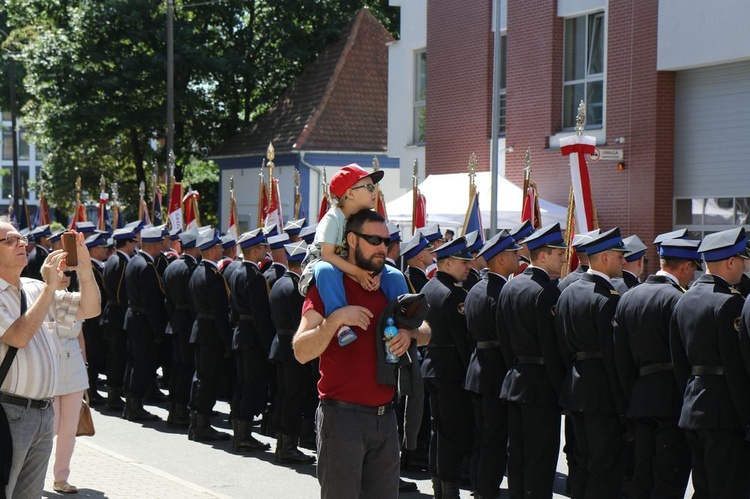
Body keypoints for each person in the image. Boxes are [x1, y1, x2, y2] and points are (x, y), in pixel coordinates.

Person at [293, 209, 429, 499]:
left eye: (386, 241)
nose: (383, 247)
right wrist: (336, 319)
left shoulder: (392, 285)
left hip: (385, 419)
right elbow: (301, 350)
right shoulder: (329, 286)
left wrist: (409, 333)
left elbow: (427, 331)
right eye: (373, 240)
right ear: (352, 240)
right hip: (342, 419)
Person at [0, 224, 100, 498]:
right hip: (9, 412)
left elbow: (90, 309)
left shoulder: (34, 287)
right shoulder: (35, 291)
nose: (21, 243)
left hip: (43, 411)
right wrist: (51, 288)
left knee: (29, 494)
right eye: (10, 240)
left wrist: (85, 269)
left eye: (22, 238)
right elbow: (18, 336)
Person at [613, 237, 700, 499]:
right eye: (693, 268)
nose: (693, 274)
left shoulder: (628, 297)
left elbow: (621, 358)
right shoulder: (678, 300)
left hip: (640, 397)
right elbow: (685, 355)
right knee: (669, 478)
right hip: (671, 399)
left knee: (642, 474)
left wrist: (630, 395)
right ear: (684, 267)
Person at [671, 227, 750, 497]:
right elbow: (737, 368)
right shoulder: (729, 304)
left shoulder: (683, 299)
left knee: (703, 488)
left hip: (693, 407)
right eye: (742, 260)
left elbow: (679, 362)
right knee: (727, 488)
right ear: (730, 261)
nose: (745, 266)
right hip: (723, 413)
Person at [556, 227, 628, 498]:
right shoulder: (606, 299)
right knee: (603, 465)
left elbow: (561, 347)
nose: (624, 261)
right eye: (620, 256)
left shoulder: (567, 293)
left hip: (575, 387)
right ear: (605, 258)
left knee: (581, 461)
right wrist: (622, 402)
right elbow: (613, 357)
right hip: (601, 393)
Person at [498, 223, 568, 499]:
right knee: (540, 460)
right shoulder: (547, 291)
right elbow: (552, 347)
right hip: (540, 386)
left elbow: (504, 342)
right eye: (559, 255)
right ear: (542, 256)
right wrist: (560, 386)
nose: (563, 260)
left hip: (514, 380)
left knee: (517, 457)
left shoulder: (510, 287)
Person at [299, 163, 403, 347]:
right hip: (322, 263)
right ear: (350, 193)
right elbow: (327, 255)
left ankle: (402, 319)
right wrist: (358, 273)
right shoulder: (333, 218)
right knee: (326, 270)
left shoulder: (363, 217)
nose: (374, 192)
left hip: (347, 263)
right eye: (369, 187)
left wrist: (377, 273)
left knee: (393, 273)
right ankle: (340, 322)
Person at [463, 230, 519, 499]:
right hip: (495, 371)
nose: (518, 258)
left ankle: (478, 484)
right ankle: (487, 489)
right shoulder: (502, 292)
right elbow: (507, 339)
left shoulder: (475, 289)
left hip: (476, 369)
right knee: (495, 438)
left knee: (481, 436)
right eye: (513, 255)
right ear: (500, 260)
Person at [420, 236, 475, 499]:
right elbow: (462, 340)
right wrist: (470, 370)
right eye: (463, 262)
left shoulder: (429, 288)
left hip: (431, 365)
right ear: (448, 263)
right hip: (451, 371)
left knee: (437, 430)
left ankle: (438, 485)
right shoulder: (455, 295)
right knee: (452, 433)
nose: (468, 266)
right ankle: (449, 487)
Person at [269, 241, 316, 464]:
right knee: (294, 397)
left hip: (280, 345)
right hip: (293, 349)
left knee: (284, 395)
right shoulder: (297, 289)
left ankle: (283, 442)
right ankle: (288, 446)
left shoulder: (279, 283)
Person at [228, 228, 274, 451]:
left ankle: (239, 430)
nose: (265, 251)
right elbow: (260, 315)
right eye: (263, 248)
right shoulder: (254, 276)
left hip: (240, 334)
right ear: (254, 250)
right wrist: (267, 344)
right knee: (250, 386)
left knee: (241, 384)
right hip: (252, 338)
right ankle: (244, 434)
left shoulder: (236, 271)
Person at [188, 228, 232, 442]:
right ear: (212, 250)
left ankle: (196, 421)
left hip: (200, 330)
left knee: (200, 378)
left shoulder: (197, 271)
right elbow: (220, 312)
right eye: (219, 246)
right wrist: (227, 340)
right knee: (209, 380)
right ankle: (202, 424)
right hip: (211, 334)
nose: (222, 249)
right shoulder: (213, 276)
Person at [122, 226, 168, 422]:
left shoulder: (134, 261)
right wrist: (158, 330)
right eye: (160, 244)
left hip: (133, 318)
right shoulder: (147, 267)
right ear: (155, 245)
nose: (162, 248)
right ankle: (135, 406)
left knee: (135, 363)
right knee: (142, 365)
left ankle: (131, 404)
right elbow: (151, 303)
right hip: (143, 322)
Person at [51, 275, 88, 494]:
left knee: (69, 429)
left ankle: (61, 478)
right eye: (59, 273)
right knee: (49, 428)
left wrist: (85, 366)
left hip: (74, 368)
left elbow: (81, 336)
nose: (64, 278)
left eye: (67, 274)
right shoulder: (39, 300)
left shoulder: (74, 299)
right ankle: (34, 472)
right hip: (51, 368)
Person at [162, 228, 200, 428]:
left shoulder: (171, 266)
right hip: (187, 322)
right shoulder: (191, 269)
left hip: (174, 321)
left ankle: (173, 408)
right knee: (185, 368)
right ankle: (180, 409)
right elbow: (194, 300)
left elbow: (166, 299)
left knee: (177, 367)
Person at [101, 227, 138, 411]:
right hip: (117, 312)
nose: (135, 246)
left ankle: (113, 394)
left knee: (114, 355)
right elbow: (120, 292)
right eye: (133, 242)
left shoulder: (112, 259)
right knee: (118, 356)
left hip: (111, 311)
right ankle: (114, 396)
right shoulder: (122, 262)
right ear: (128, 243)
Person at [81, 233, 109, 406]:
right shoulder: (90, 268)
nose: (105, 250)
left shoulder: (97, 267)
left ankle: (92, 388)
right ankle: (90, 390)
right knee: (91, 354)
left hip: (97, 317)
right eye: (102, 248)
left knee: (96, 354)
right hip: (91, 319)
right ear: (94, 250)